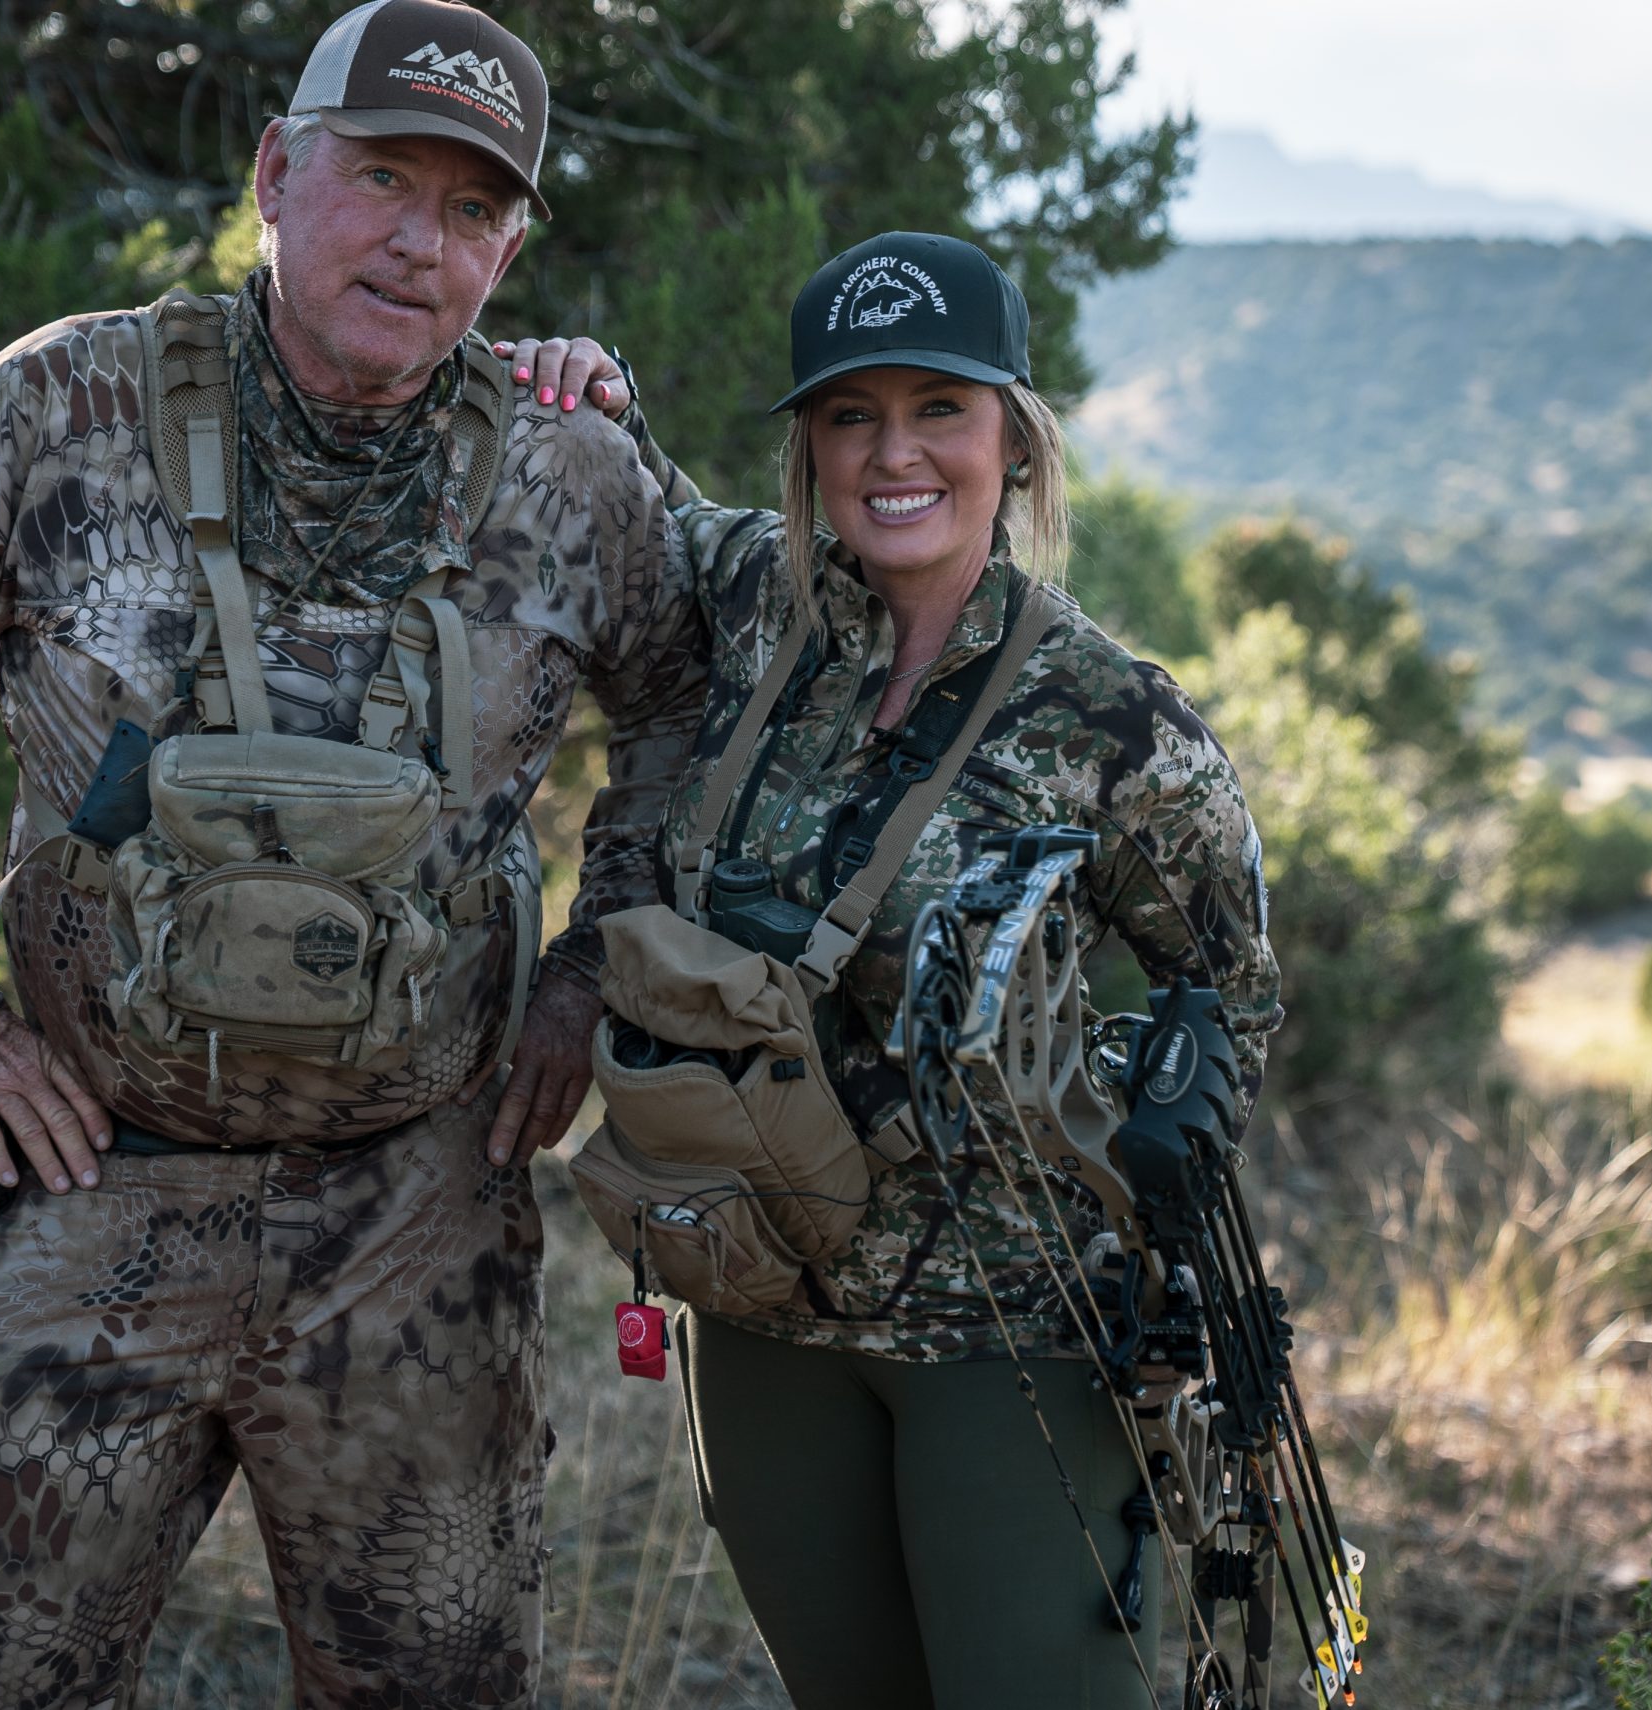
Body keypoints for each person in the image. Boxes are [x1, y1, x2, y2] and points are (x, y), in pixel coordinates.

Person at [0, 2, 707, 1703]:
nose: (416, 241)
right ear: (275, 170)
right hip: (102, 1197)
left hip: (422, 1224)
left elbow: (692, 712)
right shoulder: (64, 406)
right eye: (380, 178)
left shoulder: (569, 473)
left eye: (471, 210)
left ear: (512, 249)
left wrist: (582, 975)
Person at [504, 232, 1284, 1708]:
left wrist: (1165, 1131)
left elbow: (1228, 991)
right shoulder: (747, 603)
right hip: (759, 1314)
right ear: (809, 446)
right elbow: (641, 498)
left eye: (941, 406)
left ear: (1017, 438)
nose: (895, 451)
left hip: (1013, 1340)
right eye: (851, 414)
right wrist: (593, 389)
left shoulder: (1115, 719)